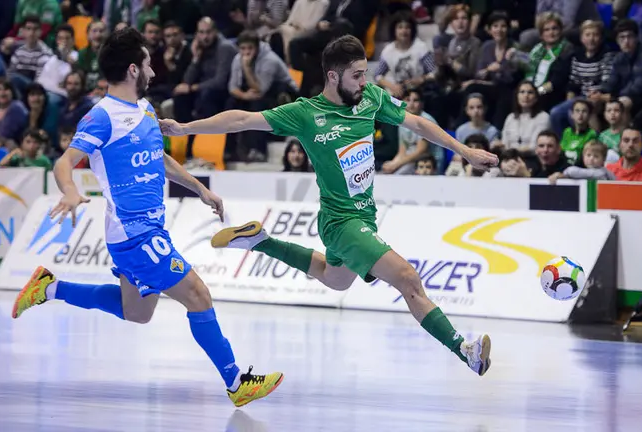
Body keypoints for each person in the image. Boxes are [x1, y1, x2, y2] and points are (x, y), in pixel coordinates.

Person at [160, 35, 499, 377]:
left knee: (335, 280)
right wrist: (186, 128)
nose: (364, 82)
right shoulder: (307, 114)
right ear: (334, 76)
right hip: (342, 223)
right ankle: (464, 349)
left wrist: (465, 151)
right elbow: (241, 120)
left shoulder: (370, 98)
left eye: (365, 73)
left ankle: (260, 242)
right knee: (408, 280)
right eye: (357, 75)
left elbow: (418, 123)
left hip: (365, 217)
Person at [10, 28, 283, 408]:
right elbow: (64, 162)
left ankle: (49, 288)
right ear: (134, 69)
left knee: (137, 312)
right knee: (198, 295)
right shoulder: (101, 117)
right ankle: (236, 381)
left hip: (147, 230)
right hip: (135, 235)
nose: (154, 73)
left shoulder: (145, 110)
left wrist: (199, 188)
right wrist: (71, 191)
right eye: (149, 65)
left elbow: (160, 157)